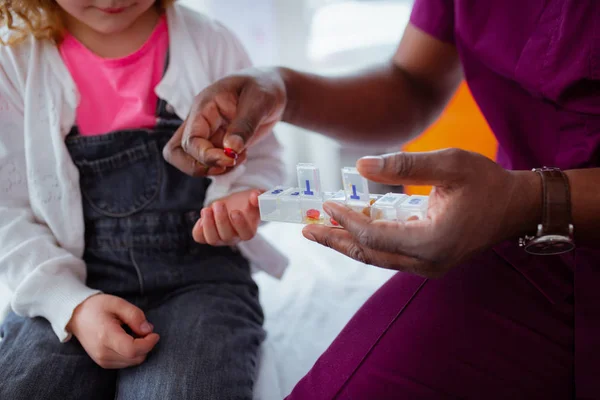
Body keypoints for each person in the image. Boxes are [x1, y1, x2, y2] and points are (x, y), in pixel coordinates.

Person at [164, 0, 600, 398]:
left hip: (520, 219)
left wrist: (527, 201)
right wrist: (282, 87)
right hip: (519, 243)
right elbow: (414, 82)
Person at [0, 1, 287, 399]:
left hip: (201, 280)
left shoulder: (209, 42)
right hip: (66, 279)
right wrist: (72, 306)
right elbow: (6, 214)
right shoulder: (14, 59)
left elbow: (266, 159)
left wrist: (240, 196)